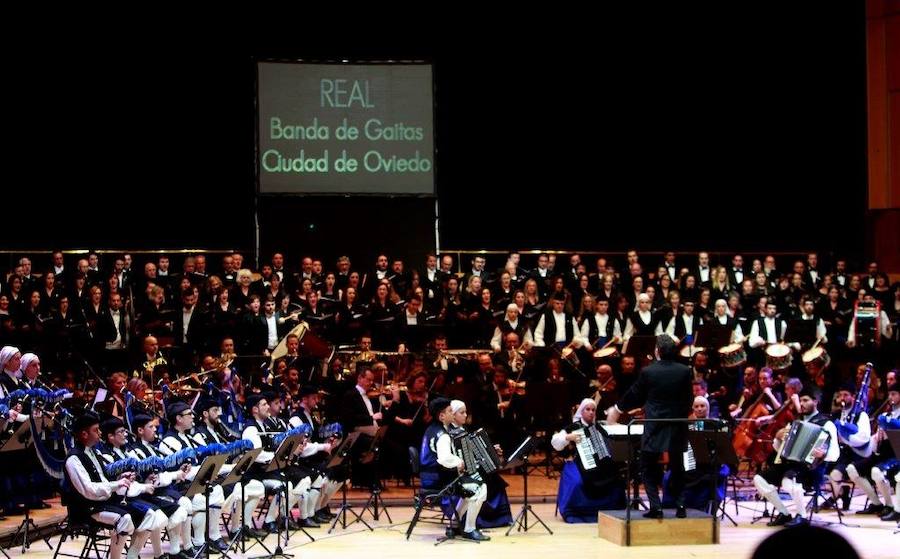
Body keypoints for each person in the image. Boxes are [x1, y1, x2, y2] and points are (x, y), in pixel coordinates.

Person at [606, 334, 692, 518]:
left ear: (657, 351)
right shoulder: (685, 371)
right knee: (678, 467)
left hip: (655, 424)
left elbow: (634, 394)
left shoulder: (649, 371)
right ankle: (681, 506)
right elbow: (688, 400)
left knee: (648, 465)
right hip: (677, 424)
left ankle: (656, 507)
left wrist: (618, 408)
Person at [64, 412, 168, 559]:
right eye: (96, 430)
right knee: (124, 519)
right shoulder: (74, 458)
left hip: (104, 502)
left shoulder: (94, 452)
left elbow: (102, 478)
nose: (100, 433)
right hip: (86, 508)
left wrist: (121, 477)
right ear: (84, 434)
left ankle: (131, 556)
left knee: (150, 515)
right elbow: (89, 490)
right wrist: (116, 484)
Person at [752, 387, 840, 527]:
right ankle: (784, 513)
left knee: (789, 480)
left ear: (815, 402)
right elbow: (780, 449)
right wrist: (778, 438)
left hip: (812, 468)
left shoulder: (826, 424)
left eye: (806, 400)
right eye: (801, 400)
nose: (802, 403)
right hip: (791, 465)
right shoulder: (795, 422)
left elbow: (835, 454)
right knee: (759, 479)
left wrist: (823, 453)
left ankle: (802, 516)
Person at [419, 398, 490, 541]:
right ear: (441, 416)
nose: (453, 413)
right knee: (479, 487)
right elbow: (445, 458)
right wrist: (460, 462)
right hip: (438, 480)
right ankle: (469, 529)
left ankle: (454, 525)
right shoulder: (443, 435)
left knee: (468, 490)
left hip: (428, 477)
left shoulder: (431, 429)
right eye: (450, 411)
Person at [551, 399, 625, 522]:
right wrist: (568, 437)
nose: (591, 412)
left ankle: (612, 511)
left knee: (616, 477)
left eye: (593, 410)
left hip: (600, 464)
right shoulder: (574, 427)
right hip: (579, 462)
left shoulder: (598, 427)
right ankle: (578, 512)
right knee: (578, 482)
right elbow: (555, 442)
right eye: (588, 409)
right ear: (582, 411)